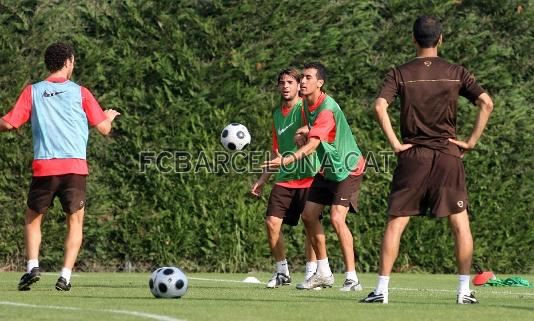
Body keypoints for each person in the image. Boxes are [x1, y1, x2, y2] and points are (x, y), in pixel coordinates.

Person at [360, 15, 493, 304]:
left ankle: (381, 291)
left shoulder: (400, 72)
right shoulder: (456, 71)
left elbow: (379, 106)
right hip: (448, 156)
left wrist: (396, 143)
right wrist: (470, 142)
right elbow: (487, 102)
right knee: (460, 224)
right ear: (441, 39)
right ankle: (464, 292)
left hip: (413, 156)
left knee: (396, 223)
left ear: (413, 39)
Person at [0, 42, 120, 291]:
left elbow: (10, 123)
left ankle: (33, 266)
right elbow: (104, 129)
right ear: (68, 62)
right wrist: (108, 116)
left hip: (45, 167)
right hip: (75, 168)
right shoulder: (81, 92)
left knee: (33, 219)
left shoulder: (33, 91)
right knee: (75, 222)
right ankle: (65, 276)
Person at [264, 62, 366, 292]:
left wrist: (287, 159)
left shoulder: (326, 108)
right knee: (309, 216)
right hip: (327, 168)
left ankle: (352, 278)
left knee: (337, 218)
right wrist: (306, 131)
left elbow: (313, 145)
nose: (302, 82)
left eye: (308, 78)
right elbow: (319, 132)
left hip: (348, 167)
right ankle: (323, 272)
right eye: (302, 78)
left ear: (320, 83)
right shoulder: (308, 106)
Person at [252, 68, 320, 288]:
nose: (286, 86)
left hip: (309, 175)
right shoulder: (276, 114)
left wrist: (307, 130)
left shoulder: (305, 108)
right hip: (284, 177)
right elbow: (276, 152)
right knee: (271, 223)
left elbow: (322, 127)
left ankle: (312, 273)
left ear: (298, 84)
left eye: (290, 82)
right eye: (282, 82)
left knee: (310, 224)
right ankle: (282, 272)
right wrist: (262, 180)